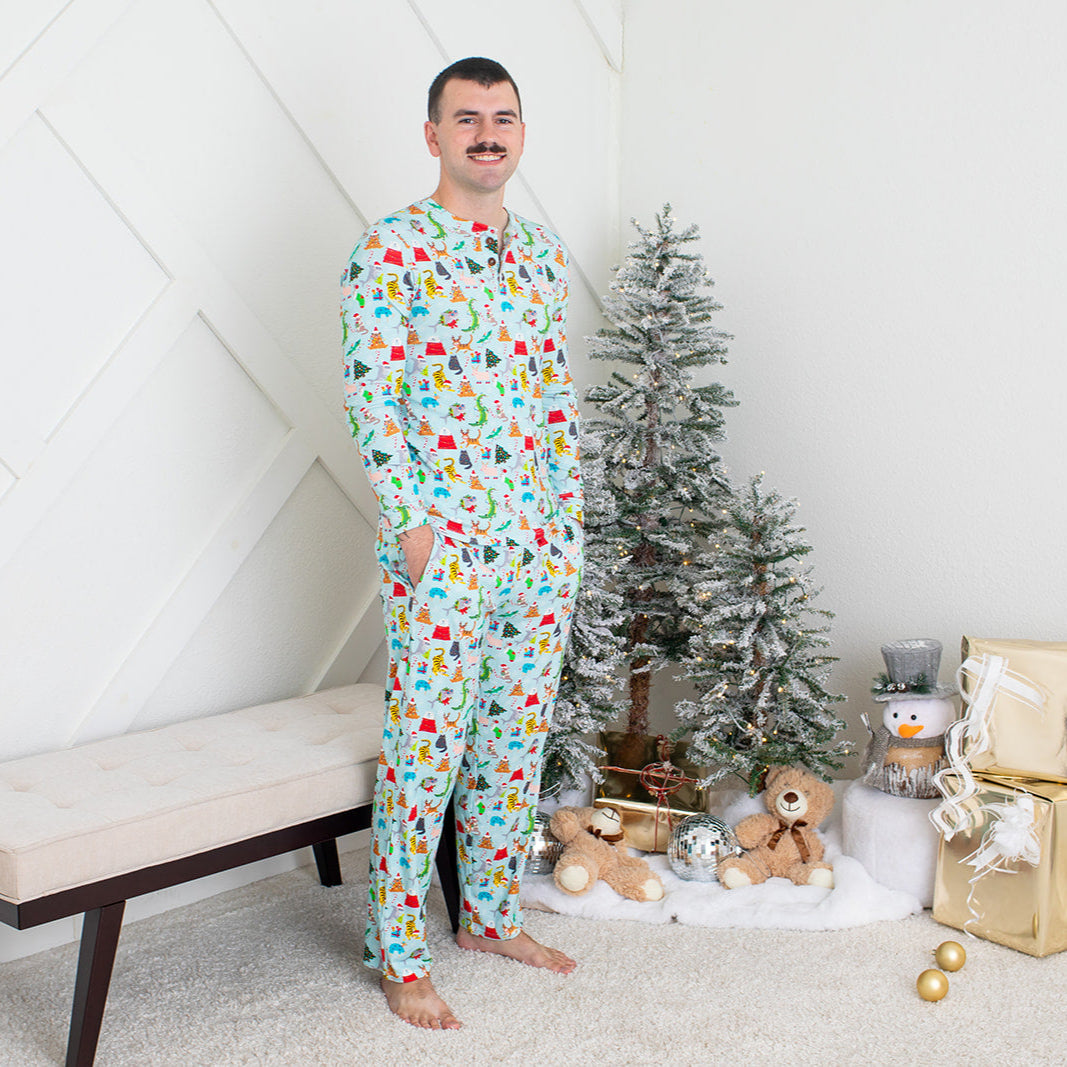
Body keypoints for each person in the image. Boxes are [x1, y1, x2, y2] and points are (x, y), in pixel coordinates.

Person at [340, 57, 584, 1030]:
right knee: (424, 751)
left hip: (536, 542)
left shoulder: (539, 253)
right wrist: (409, 530)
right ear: (433, 134)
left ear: (519, 134)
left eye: (503, 117)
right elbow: (370, 395)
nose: (487, 133)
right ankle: (399, 951)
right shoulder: (390, 247)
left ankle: (487, 912)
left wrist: (566, 528)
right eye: (467, 117)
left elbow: (553, 401)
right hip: (444, 547)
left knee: (511, 747)